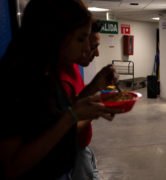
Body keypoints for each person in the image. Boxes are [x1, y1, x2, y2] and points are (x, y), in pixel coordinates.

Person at [0, 0, 121, 179]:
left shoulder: (47, 69)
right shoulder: (17, 79)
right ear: (55, 35)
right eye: (80, 39)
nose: (87, 48)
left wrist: (94, 88)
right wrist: (71, 117)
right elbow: (10, 167)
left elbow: (60, 116)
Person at [59, 19, 114, 180]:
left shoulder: (73, 66)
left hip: (82, 148)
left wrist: (95, 86)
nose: (95, 53)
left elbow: (75, 104)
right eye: (83, 41)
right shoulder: (57, 80)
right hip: (70, 155)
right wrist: (97, 109)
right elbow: (62, 129)